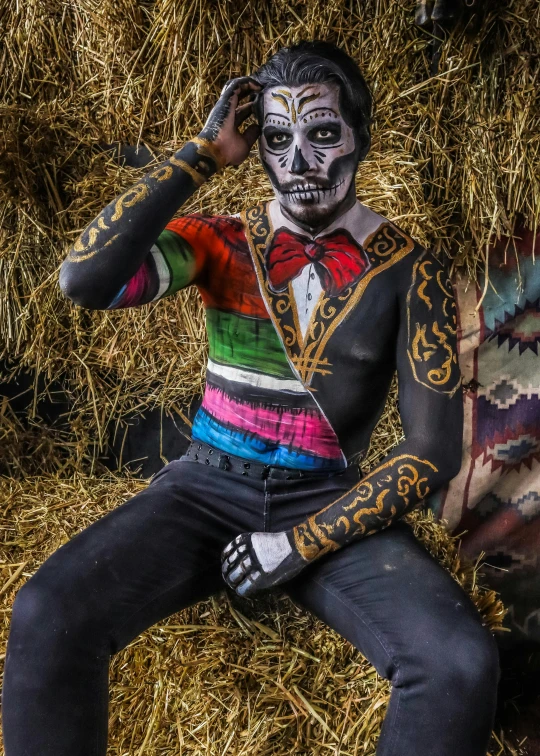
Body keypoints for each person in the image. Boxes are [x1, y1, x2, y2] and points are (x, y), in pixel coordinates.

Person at [2, 41, 499, 756]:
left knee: (459, 662)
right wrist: (201, 154)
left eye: (322, 133)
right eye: (276, 137)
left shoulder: (411, 271)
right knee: (46, 611)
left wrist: (296, 544)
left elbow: (430, 453)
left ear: (361, 135)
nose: (298, 160)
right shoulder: (220, 241)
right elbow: (83, 281)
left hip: (322, 500)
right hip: (204, 486)